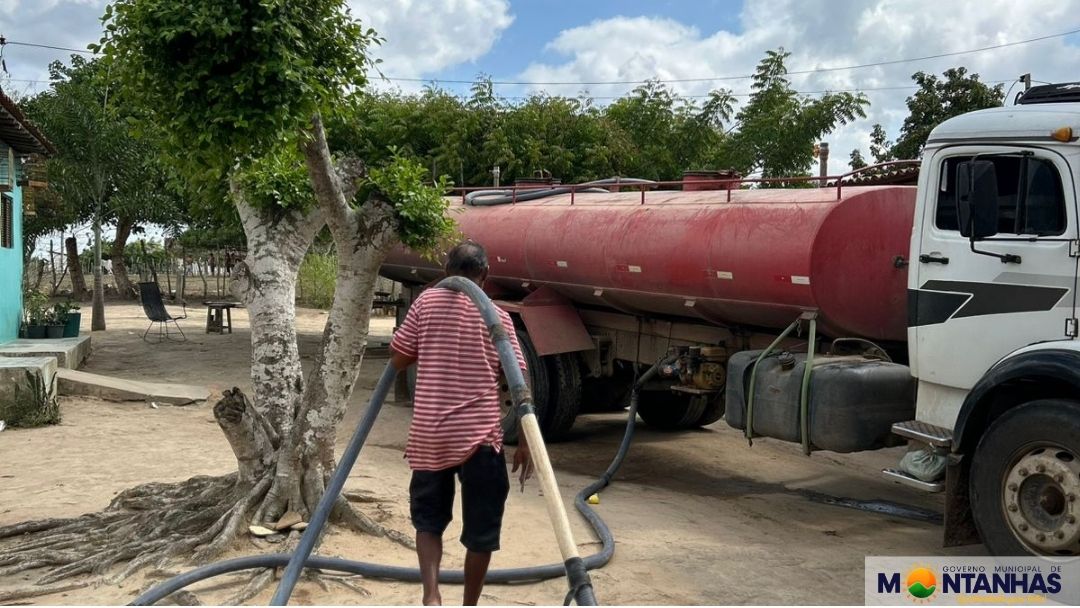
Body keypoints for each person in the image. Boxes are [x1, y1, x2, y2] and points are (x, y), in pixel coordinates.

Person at [390, 241, 533, 606]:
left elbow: (399, 357)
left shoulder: (425, 303)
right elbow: (519, 377)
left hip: (430, 435)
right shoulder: (497, 316)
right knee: (481, 533)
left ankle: (431, 596)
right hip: (479, 437)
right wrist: (528, 440)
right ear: (485, 276)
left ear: (446, 271)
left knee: (428, 521)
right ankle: (469, 604)